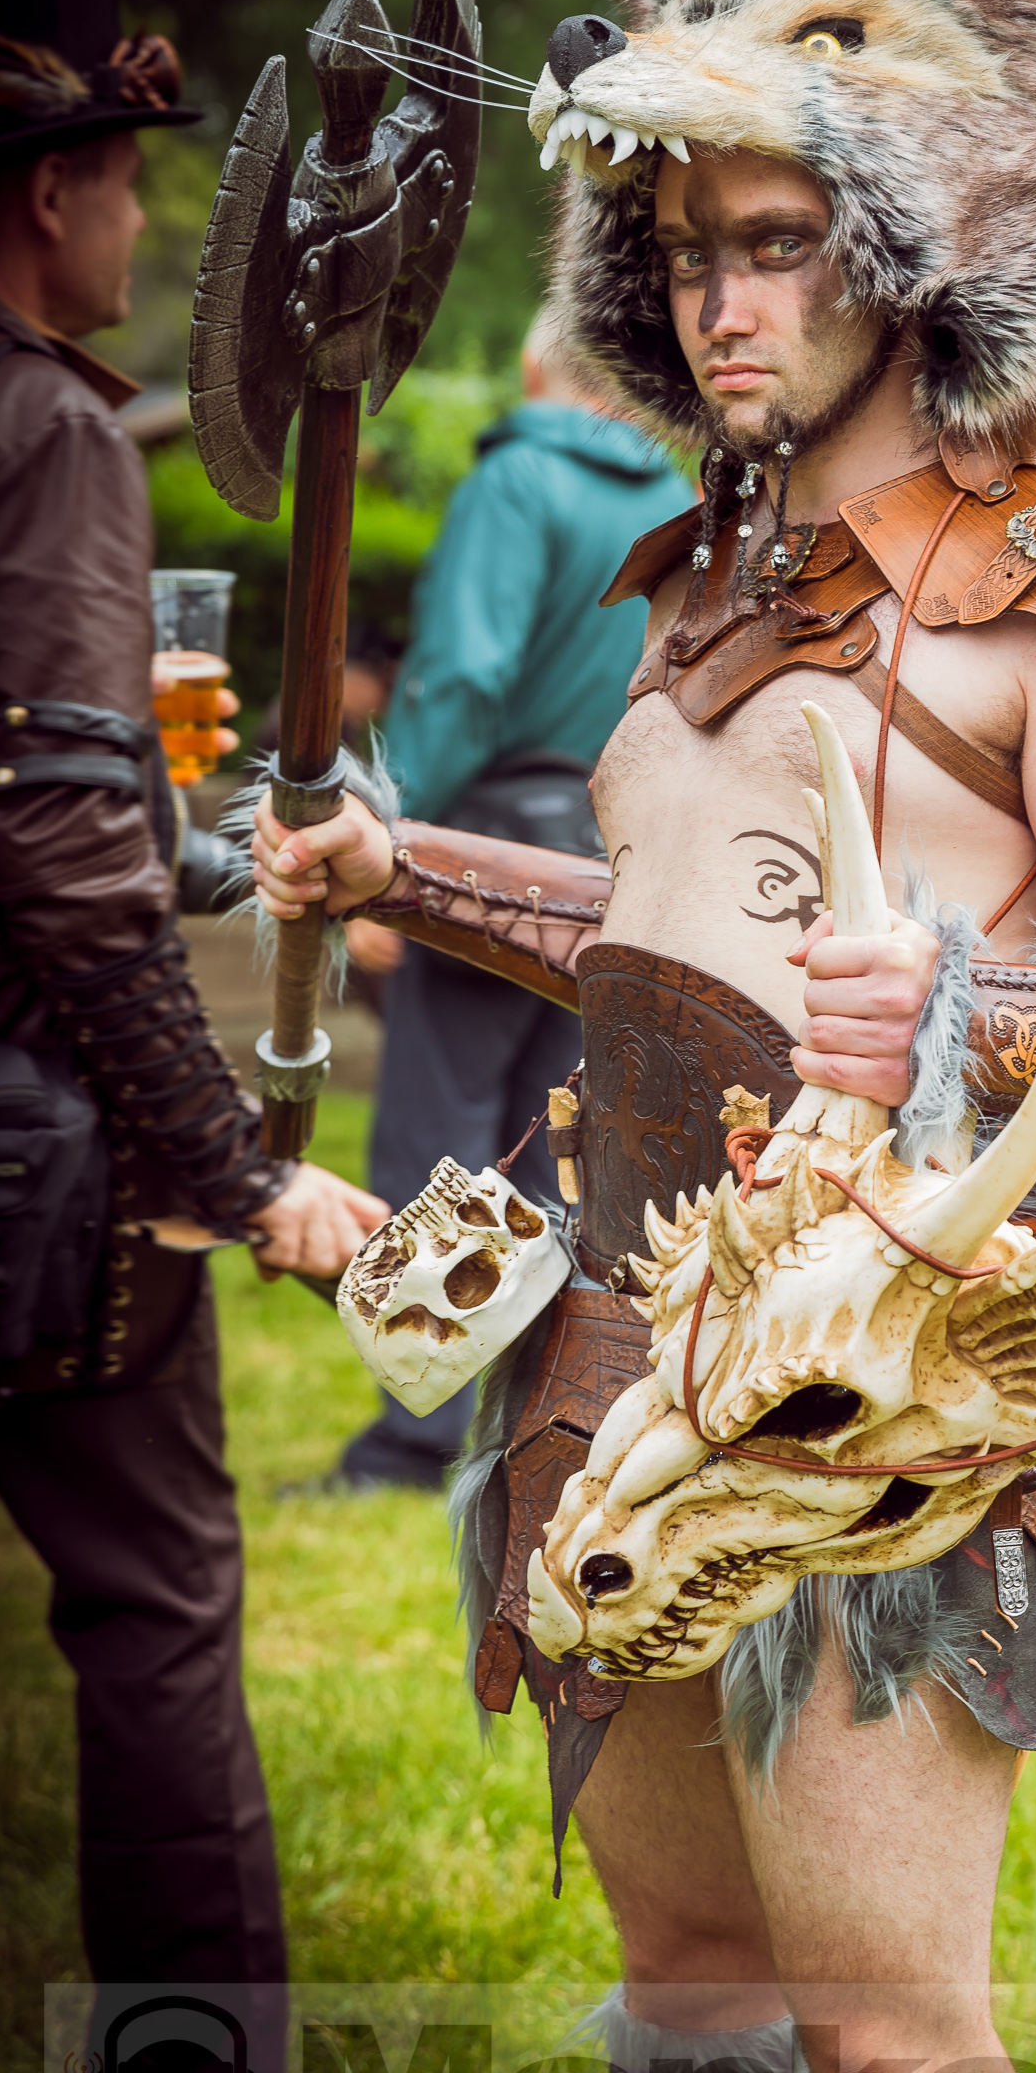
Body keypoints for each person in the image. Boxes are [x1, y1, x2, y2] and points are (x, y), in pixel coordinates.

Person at [252, 0, 1036, 2073]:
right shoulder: (695, 582)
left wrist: (976, 999)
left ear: (917, 240)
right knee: (685, 1981)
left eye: (779, 242)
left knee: (890, 2054)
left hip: (878, 1411)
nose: (723, 302)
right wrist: (400, 868)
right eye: (685, 252)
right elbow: (673, 927)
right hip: (621, 1359)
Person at [0, 0, 386, 2073]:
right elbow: (55, 879)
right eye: (124, 181)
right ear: (49, 193)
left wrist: (162, 817)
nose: (144, 226)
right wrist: (238, 1181)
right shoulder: (46, 431)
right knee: (154, 1619)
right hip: (42, 1168)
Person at [332, 319, 686, 1488]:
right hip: (613, 862)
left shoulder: (516, 481)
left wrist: (391, 848)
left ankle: (414, 1431)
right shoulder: (684, 500)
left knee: (439, 1129)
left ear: (536, 370)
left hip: (483, 846)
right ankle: (547, 1422)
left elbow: (464, 675)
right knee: (557, 1156)